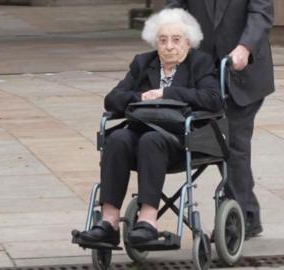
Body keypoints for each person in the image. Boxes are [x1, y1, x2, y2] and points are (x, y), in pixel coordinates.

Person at [79, 8, 222, 246]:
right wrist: (141, 97)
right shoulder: (143, 63)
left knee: (150, 140)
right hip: (140, 133)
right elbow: (112, 99)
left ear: (189, 41)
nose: (168, 46)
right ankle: (108, 222)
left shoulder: (200, 63)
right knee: (117, 139)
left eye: (176, 40)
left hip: (180, 140)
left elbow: (213, 99)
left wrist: (167, 93)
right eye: (162, 40)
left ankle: (148, 220)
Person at [164, 0, 275, 238]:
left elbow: (261, 13)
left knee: (233, 142)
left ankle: (239, 220)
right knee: (216, 143)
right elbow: (174, 10)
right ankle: (248, 212)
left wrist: (245, 47)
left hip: (243, 72)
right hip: (203, 74)